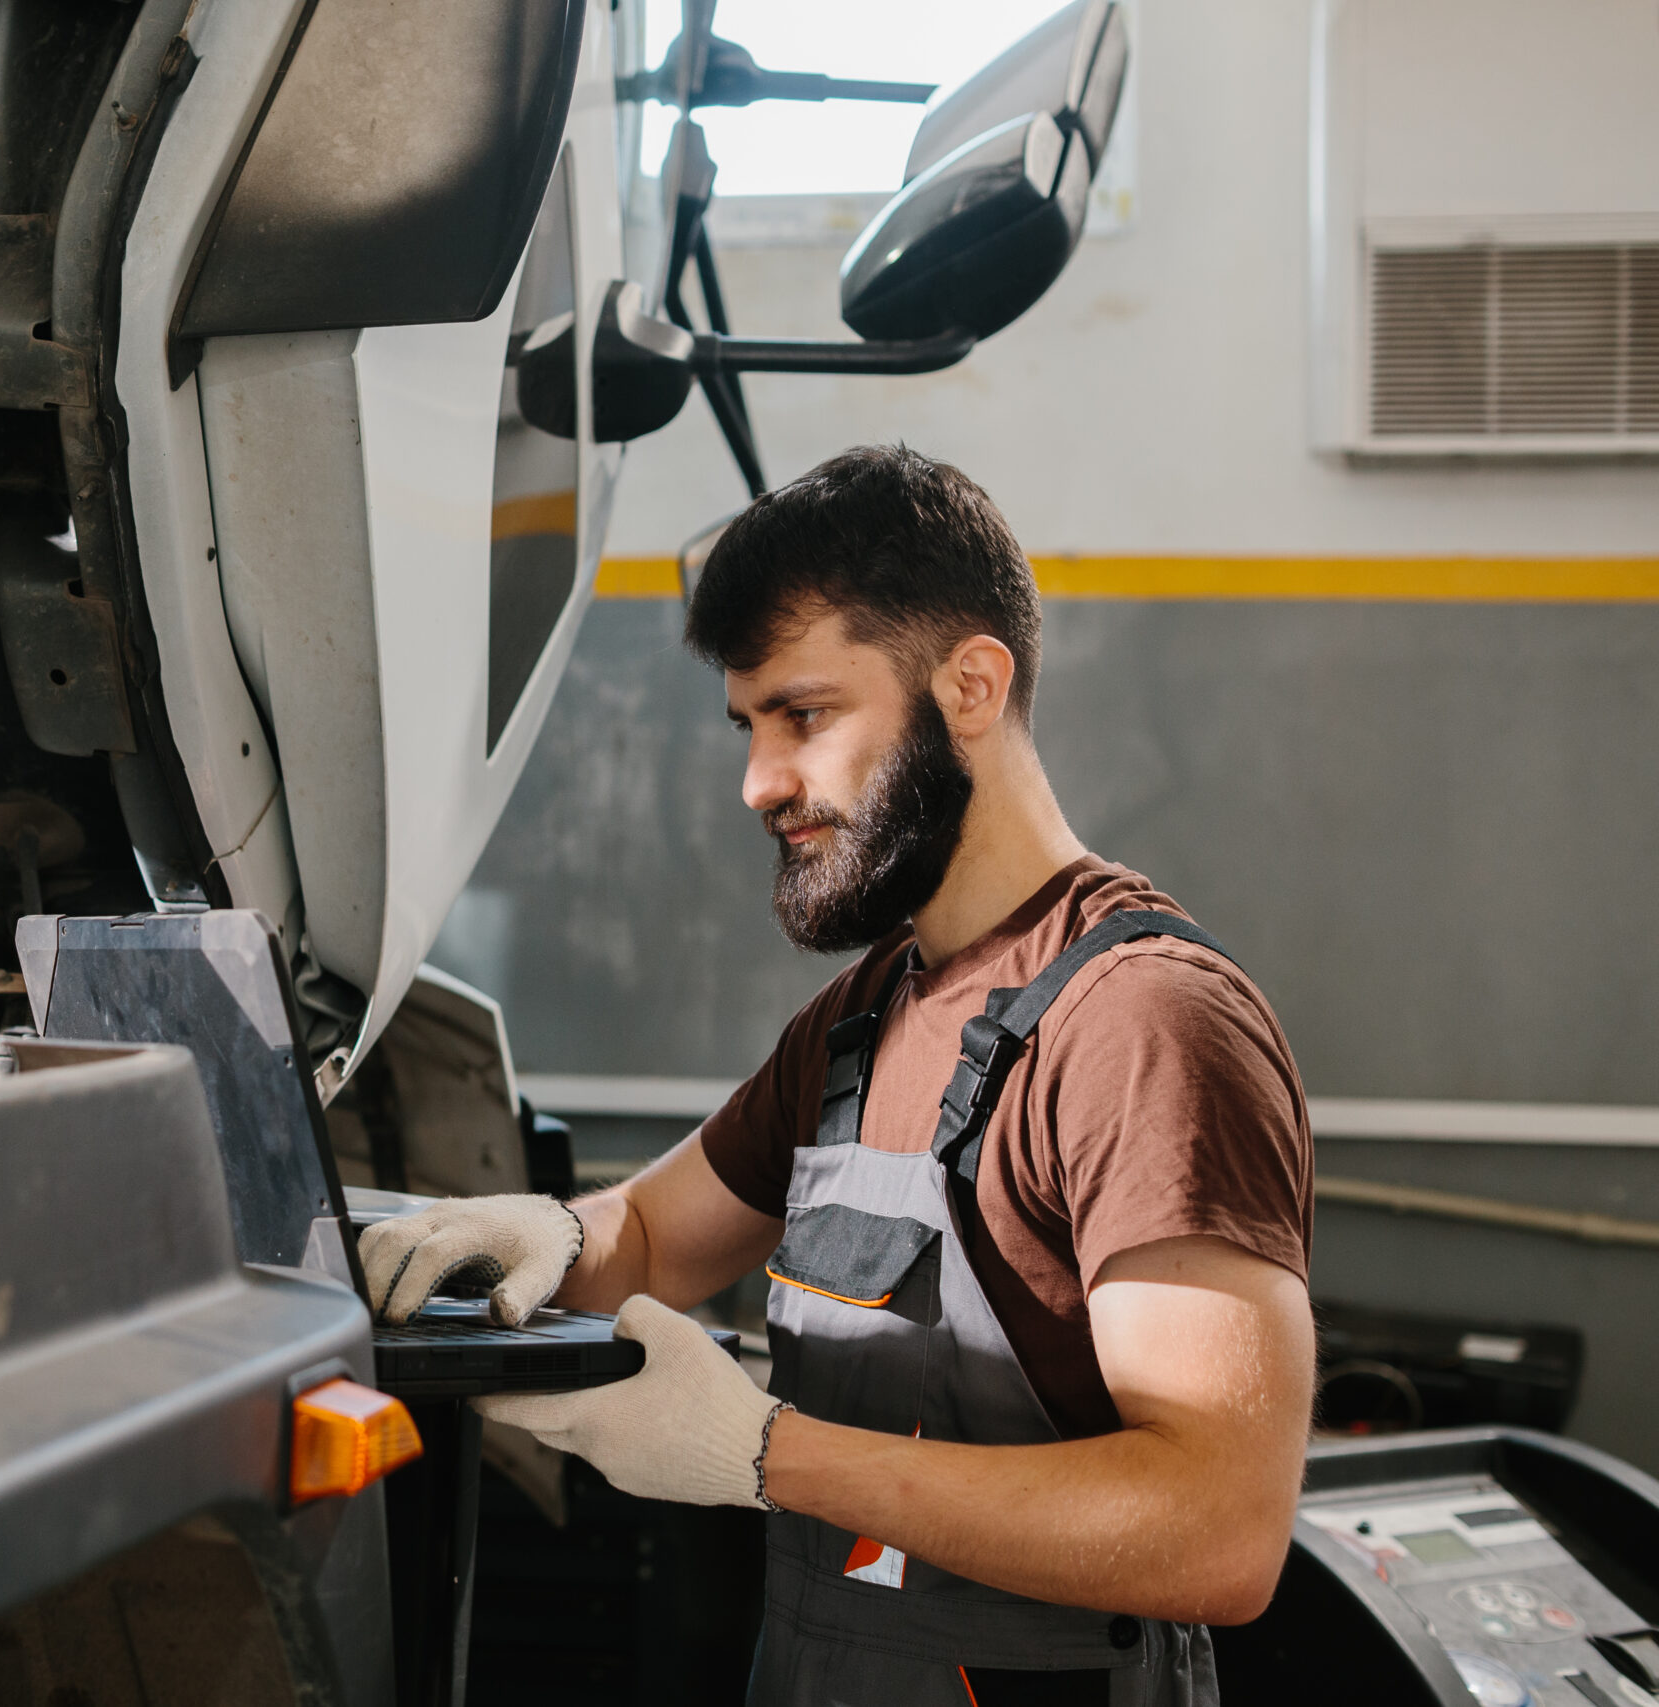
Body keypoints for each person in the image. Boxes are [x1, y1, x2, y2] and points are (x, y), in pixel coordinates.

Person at [361, 446, 1314, 1707]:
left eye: (804, 717)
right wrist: (516, 1236)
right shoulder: (865, 1016)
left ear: (971, 683)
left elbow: (1216, 1529)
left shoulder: (1140, 1026)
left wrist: (763, 1451)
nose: (759, 782)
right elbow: (647, 1233)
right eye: (749, 726)